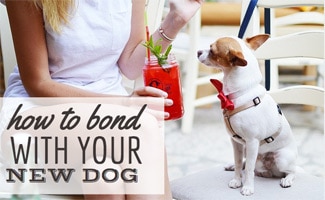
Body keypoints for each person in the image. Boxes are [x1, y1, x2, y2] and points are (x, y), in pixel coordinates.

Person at [1, 0, 203, 199]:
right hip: (37, 115)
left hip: (109, 123)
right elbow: (38, 84)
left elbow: (130, 66)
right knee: (140, 125)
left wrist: (174, 21)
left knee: (103, 177)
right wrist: (123, 104)